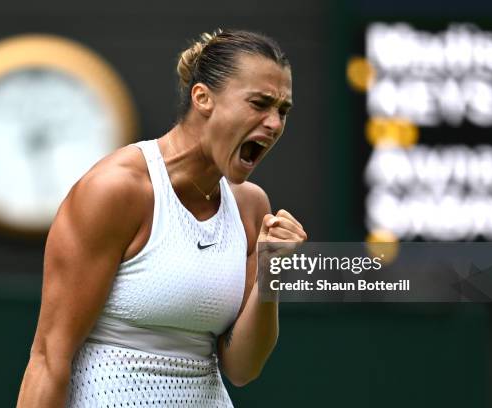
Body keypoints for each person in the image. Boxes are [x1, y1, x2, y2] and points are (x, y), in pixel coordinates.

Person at [16, 29, 307, 407]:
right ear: (202, 98)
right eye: (259, 103)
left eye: (282, 110)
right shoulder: (116, 190)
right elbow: (48, 360)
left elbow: (242, 368)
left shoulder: (252, 207)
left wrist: (272, 272)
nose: (274, 123)